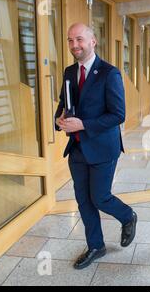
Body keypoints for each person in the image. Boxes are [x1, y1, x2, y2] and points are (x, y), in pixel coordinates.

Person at [55, 23, 137, 270]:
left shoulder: (109, 73)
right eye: (70, 40)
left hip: (102, 148)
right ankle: (95, 246)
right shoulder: (69, 72)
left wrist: (83, 124)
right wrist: (59, 121)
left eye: (79, 39)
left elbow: (118, 114)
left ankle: (127, 216)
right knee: (83, 201)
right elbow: (63, 103)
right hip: (77, 150)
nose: (74, 45)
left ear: (93, 42)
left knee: (100, 197)